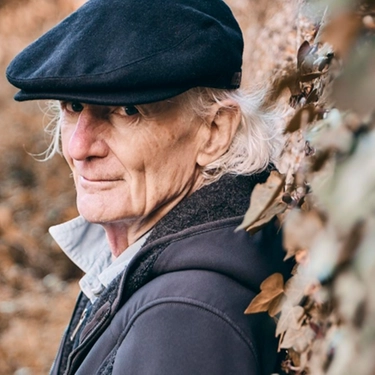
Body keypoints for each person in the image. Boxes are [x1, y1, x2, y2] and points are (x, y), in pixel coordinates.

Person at [6, 0, 292, 373]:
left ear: (214, 131)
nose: (78, 147)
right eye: (73, 106)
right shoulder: (155, 263)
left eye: (128, 111)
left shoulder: (185, 319)